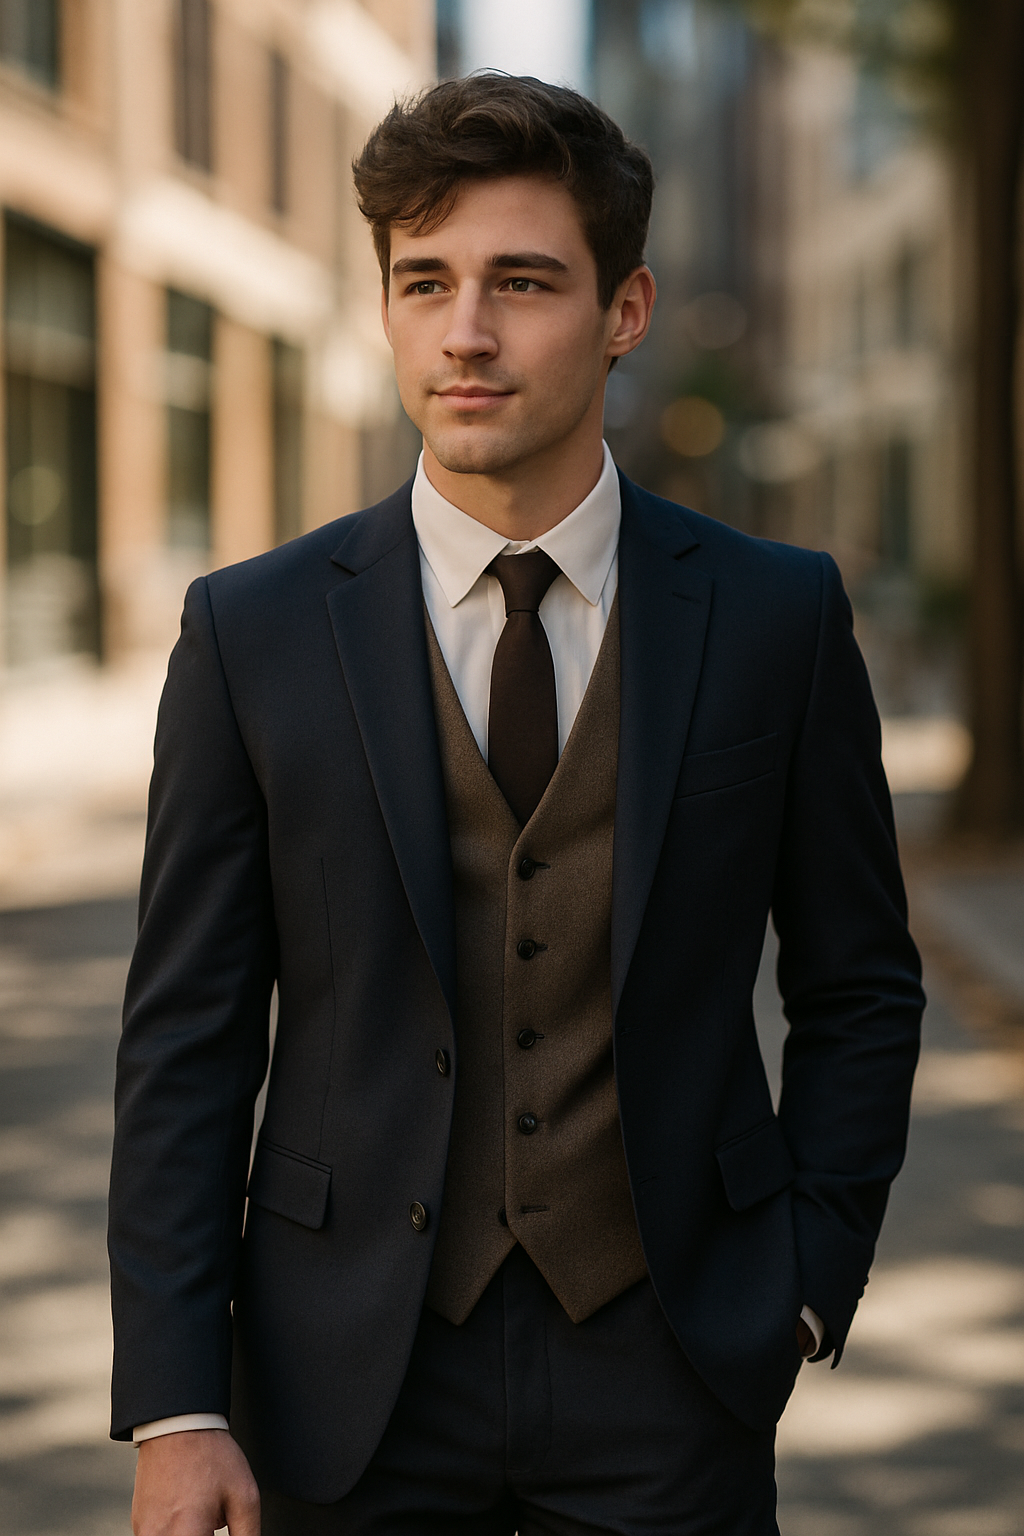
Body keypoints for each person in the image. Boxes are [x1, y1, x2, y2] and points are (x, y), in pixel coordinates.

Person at [109, 73, 924, 1536]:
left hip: (675, 1373)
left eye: (524, 282)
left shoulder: (776, 617)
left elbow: (859, 984)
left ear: (626, 310)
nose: (465, 332)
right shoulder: (252, 630)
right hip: (341, 1378)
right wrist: (179, 1401)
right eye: (424, 281)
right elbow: (187, 1033)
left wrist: (803, 1285)